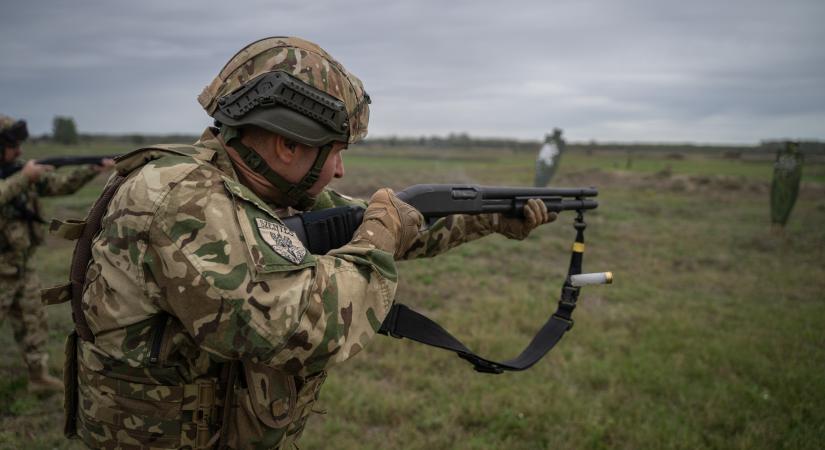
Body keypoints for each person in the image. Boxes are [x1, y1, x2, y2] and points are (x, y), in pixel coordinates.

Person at [47, 36, 556, 449]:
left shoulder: (248, 186)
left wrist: (490, 218)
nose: (339, 169)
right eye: (335, 152)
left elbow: (381, 227)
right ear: (287, 143)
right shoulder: (185, 202)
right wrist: (379, 233)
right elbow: (299, 330)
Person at [0, 114, 113, 393]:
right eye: (13, 145)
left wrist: (92, 169)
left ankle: (37, 377)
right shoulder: (18, 177)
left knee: (33, 322)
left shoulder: (17, 173)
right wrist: (24, 178)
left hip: (20, 267)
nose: (19, 151)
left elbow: (60, 186)